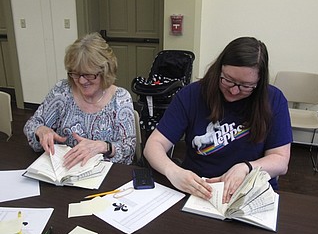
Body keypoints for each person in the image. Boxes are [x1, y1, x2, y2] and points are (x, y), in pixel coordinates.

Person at [144, 36, 292, 203]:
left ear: (259, 82)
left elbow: (280, 161)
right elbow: (153, 145)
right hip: (200, 189)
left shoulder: (273, 99)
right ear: (218, 69)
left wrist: (246, 168)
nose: (234, 91)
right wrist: (173, 171)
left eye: (245, 86)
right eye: (228, 80)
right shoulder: (192, 95)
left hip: (250, 191)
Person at [24, 32, 136, 167]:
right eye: (76, 73)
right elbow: (32, 124)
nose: (82, 81)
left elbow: (129, 150)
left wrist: (104, 147)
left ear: (105, 71)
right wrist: (41, 130)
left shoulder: (120, 99)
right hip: (64, 171)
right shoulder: (62, 91)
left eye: (88, 75)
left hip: (104, 176)